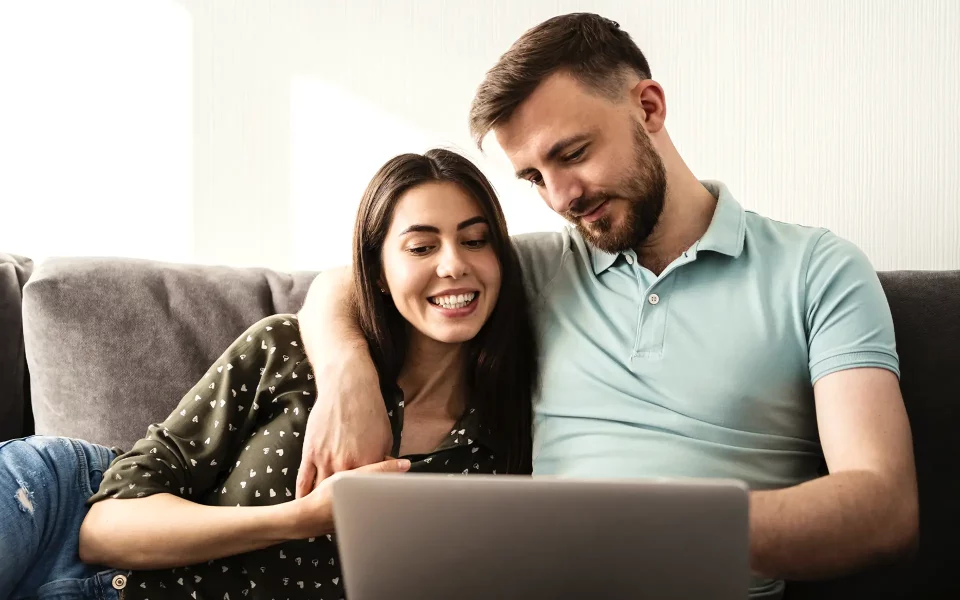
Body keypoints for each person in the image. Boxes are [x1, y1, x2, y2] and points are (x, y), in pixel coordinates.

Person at [294, 13, 919, 600]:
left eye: (572, 154)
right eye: (535, 178)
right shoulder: (537, 269)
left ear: (649, 107)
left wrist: (643, 531)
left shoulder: (817, 269)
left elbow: (883, 508)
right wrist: (347, 377)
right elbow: (350, 282)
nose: (562, 197)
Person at [0, 148, 537, 600]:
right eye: (421, 247)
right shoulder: (291, 351)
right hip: (55, 501)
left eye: (475, 240)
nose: (453, 265)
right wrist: (305, 517)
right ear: (375, 271)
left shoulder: (502, 443)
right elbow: (103, 530)